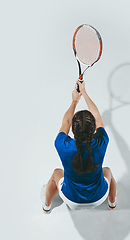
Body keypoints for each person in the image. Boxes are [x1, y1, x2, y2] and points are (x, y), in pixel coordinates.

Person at [41, 80, 117, 213]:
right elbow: (98, 118)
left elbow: (66, 121)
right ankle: (112, 203)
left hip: (71, 199)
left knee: (56, 173)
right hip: (99, 197)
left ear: (72, 130)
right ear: (94, 129)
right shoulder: (101, 141)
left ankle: (46, 207)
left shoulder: (62, 144)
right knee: (108, 171)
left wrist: (75, 101)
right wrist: (85, 93)